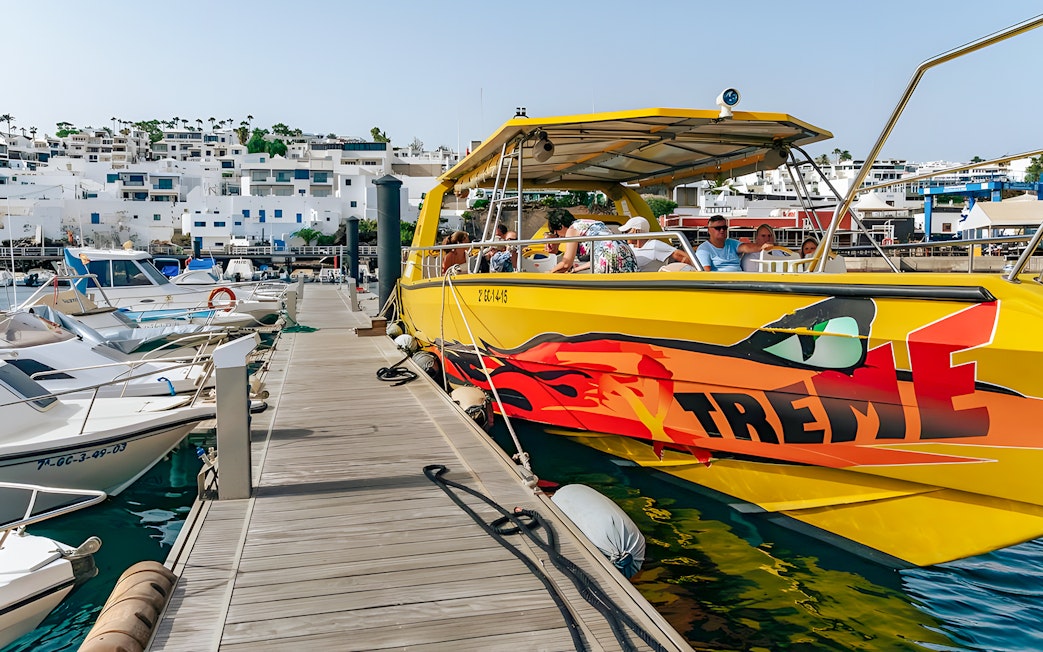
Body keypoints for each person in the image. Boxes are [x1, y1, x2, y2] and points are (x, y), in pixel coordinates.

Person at [546, 208, 637, 274]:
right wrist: (576, 269)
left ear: (561, 226)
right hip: (625, 253)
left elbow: (566, 264)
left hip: (610, 257)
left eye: (556, 232)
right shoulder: (586, 223)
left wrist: (549, 273)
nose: (559, 236)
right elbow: (599, 256)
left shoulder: (572, 229)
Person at [695, 215, 772, 272]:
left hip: (739, 282)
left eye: (724, 228)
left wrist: (762, 247)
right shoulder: (704, 249)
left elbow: (746, 247)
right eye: (718, 228)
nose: (722, 230)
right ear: (709, 230)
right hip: (722, 285)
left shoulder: (731, 243)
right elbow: (706, 273)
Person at [619, 216, 694, 271]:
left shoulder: (654, 245)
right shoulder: (630, 247)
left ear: (636, 231)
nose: (625, 234)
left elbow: (684, 257)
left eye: (626, 231)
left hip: (652, 288)